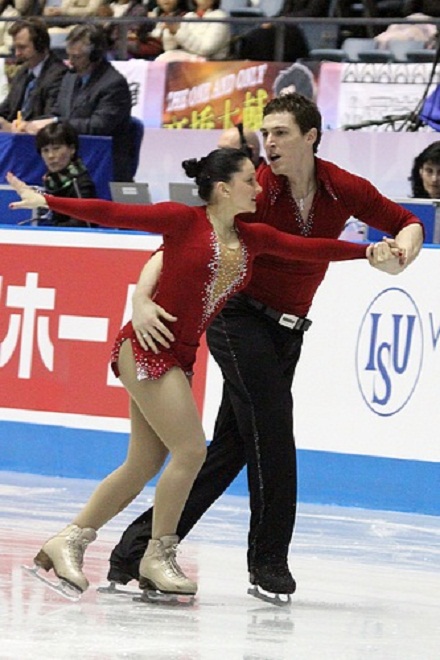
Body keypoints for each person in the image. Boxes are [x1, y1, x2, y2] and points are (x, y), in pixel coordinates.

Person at [7, 146, 377, 599]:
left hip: (178, 356)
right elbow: (113, 212)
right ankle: (157, 554)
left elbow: (308, 248)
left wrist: (368, 252)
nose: (258, 187)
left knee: (142, 462)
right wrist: (48, 201)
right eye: (249, 181)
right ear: (223, 188)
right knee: (190, 450)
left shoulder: (251, 237)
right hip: (146, 349)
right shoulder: (183, 222)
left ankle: (69, 540)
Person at [104, 93, 424, 601]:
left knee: (229, 450)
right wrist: (141, 298)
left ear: (311, 137)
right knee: (273, 429)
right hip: (237, 318)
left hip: (288, 331)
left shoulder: (341, 188)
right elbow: (185, 242)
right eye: (266, 132)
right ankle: (269, 563)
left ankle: (136, 552)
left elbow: (406, 221)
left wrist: (403, 250)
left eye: (281, 133)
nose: (268, 143)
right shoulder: (255, 188)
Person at [20, 23, 133, 182]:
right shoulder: (70, 77)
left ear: (95, 56)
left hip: (102, 163)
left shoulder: (113, 84)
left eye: (77, 57)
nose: (70, 62)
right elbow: (57, 112)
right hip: (71, 161)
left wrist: (55, 122)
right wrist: (29, 125)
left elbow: (98, 126)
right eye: (69, 55)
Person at [0, 17, 67, 129]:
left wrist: (15, 127)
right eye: (15, 48)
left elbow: (50, 117)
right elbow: (7, 107)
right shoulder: (23, 71)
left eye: (22, 47)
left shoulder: (59, 74)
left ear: (41, 45)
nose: (17, 54)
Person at [34, 120, 97, 227]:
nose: (50, 156)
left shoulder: (81, 184)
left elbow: (85, 223)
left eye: (56, 148)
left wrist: (49, 231)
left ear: (72, 149)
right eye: (45, 150)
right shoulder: (50, 180)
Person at [155, 0, 231, 62]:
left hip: (211, 65)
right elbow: (169, 48)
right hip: (187, 62)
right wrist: (171, 32)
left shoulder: (221, 17)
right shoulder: (189, 16)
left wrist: (178, 32)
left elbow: (206, 49)